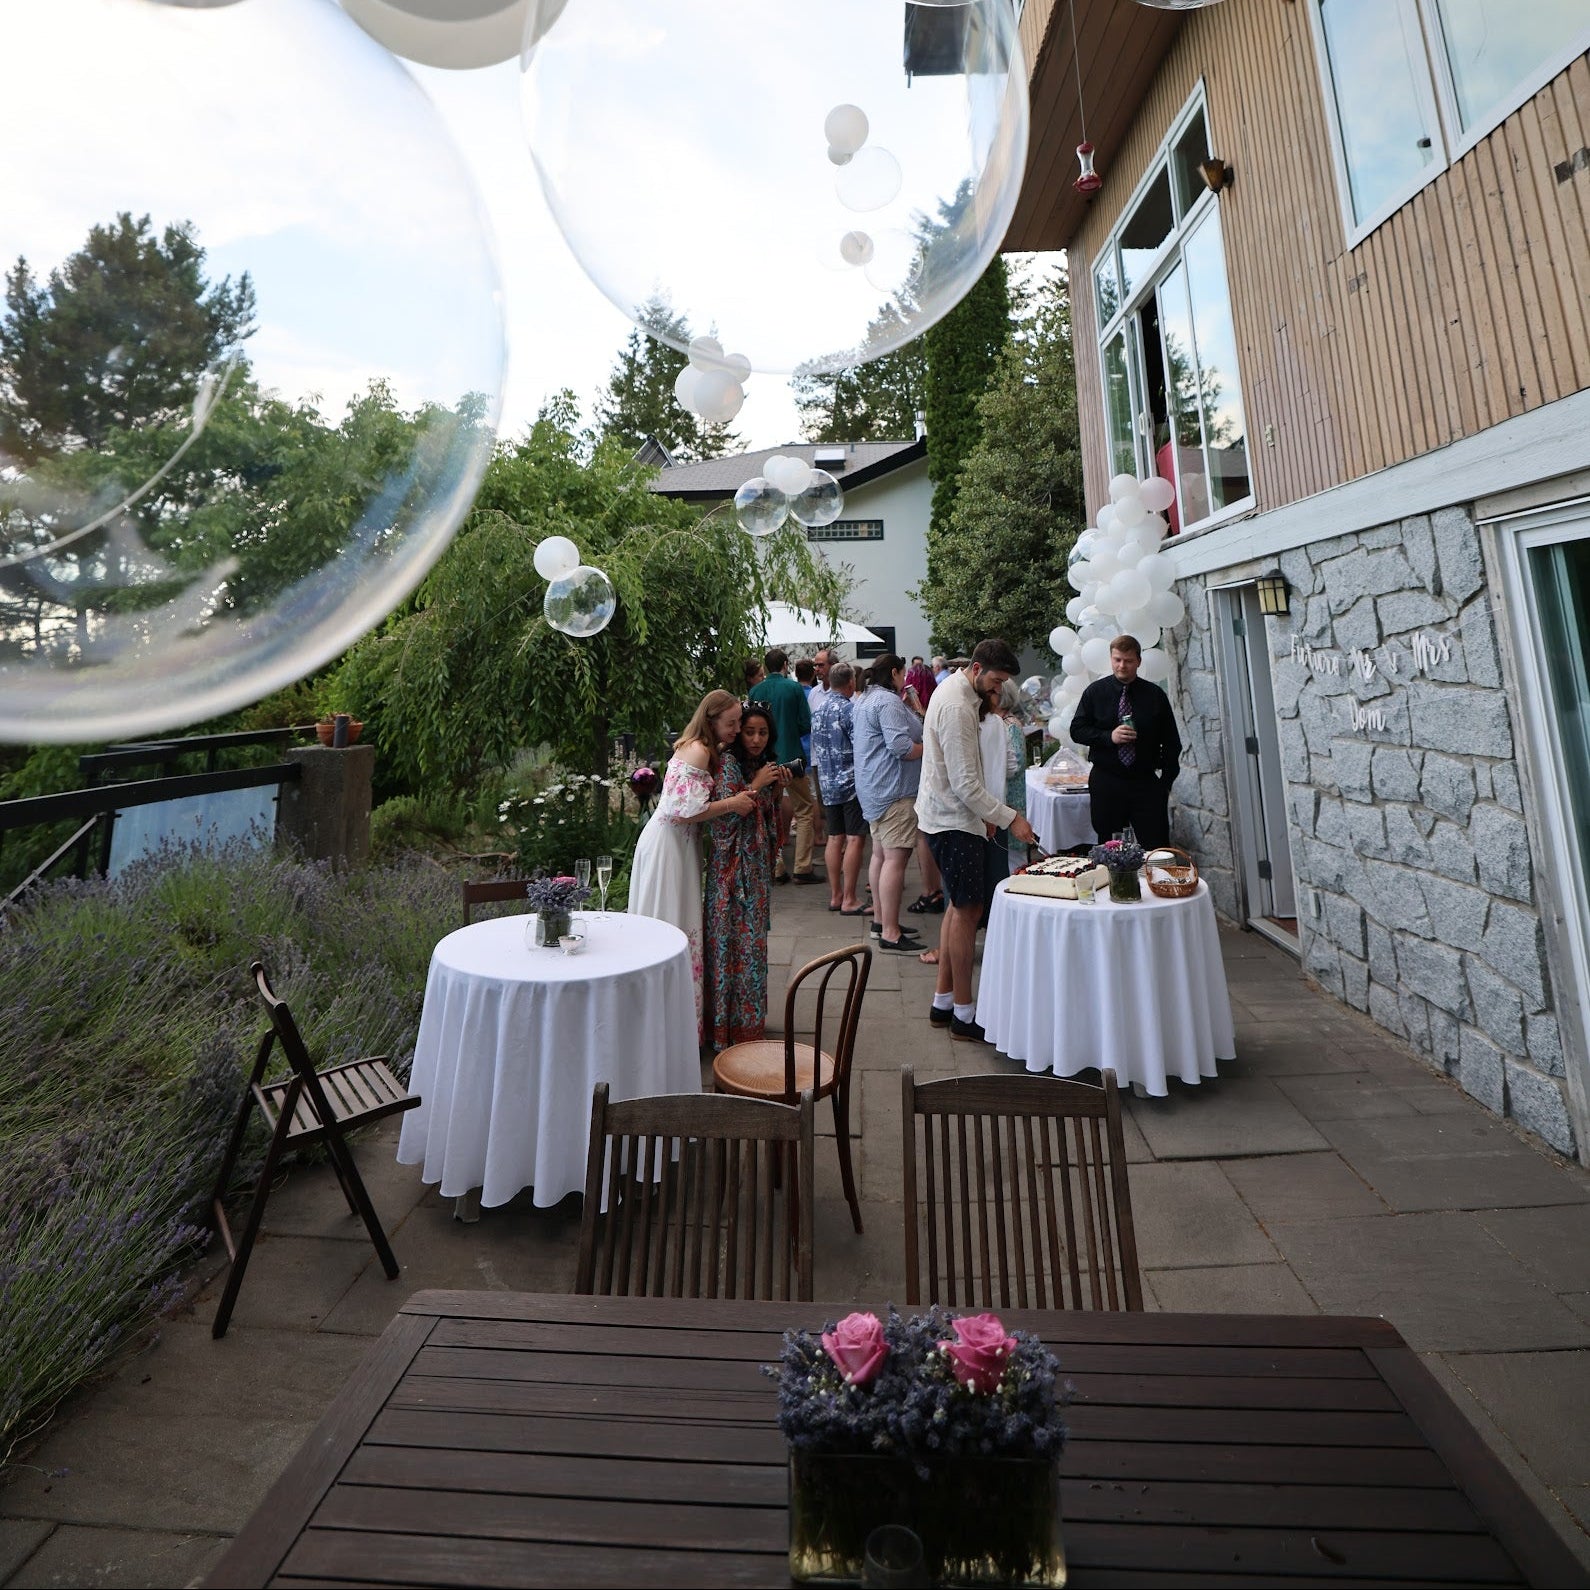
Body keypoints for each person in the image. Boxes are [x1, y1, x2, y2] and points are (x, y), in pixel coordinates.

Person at [918, 638, 1037, 1042]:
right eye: (996, 680)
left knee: (958, 908)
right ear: (975, 668)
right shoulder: (954, 705)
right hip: (952, 821)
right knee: (969, 913)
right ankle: (964, 1016)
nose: (998, 689)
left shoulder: (963, 693)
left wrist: (990, 816)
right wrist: (1010, 818)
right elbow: (965, 783)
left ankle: (944, 1002)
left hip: (955, 818)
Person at [628, 689, 762, 1039]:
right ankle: (665, 1027)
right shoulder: (700, 751)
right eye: (731, 723)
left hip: (679, 848)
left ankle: (673, 1024)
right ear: (712, 720)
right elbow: (681, 810)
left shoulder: (703, 748)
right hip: (668, 849)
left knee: (678, 926)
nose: (736, 729)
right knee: (670, 926)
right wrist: (733, 803)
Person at [704, 703, 786, 1049]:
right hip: (729, 875)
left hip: (755, 872)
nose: (755, 739)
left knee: (753, 949)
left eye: (762, 733)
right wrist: (757, 784)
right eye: (748, 731)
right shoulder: (727, 764)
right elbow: (723, 825)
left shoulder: (761, 765)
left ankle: (750, 1027)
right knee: (728, 947)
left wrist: (778, 786)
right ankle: (724, 1031)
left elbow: (778, 818)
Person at [1069, 634, 1181, 848]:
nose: (1122, 666)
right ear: (1111, 659)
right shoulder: (1095, 692)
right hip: (1107, 781)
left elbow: (1172, 743)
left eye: (1128, 661)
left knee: (1157, 848)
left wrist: (1164, 785)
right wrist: (1108, 737)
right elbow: (1077, 730)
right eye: (1117, 659)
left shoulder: (1155, 695)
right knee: (1110, 848)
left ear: (1138, 661)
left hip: (1145, 783)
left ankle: (1157, 882)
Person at [852, 654, 925, 954]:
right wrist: (934, 746)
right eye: (903, 673)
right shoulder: (888, 702)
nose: (905, 678)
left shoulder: (867, 699)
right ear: (894, 672)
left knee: (880, 856)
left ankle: (882, 922)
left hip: (875, 789)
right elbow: (902, 748)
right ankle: (891, 932)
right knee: (895, 860)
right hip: (894, 791)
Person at [749, 648, 817, 883]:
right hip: (792, 757)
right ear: (785, 664)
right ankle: (802, 866)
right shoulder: (794, 688)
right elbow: (805, 723)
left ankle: (777, 867)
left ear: (766, 667)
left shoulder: (756, 690)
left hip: (765, 761)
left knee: (772, 811)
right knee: (805, 809)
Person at [810, 662, 866, 914]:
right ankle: (850, 898)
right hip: (851, 783)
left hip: (827, 782)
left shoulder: (819, 710)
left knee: (834, 837)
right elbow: (861, 746)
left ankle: (835, 895)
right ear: (851, 682)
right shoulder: (849, 710)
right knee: (854, 838)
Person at [978, 675, 1029, 901]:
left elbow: (1015, 764)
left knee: (1013, 857)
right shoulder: (996, 722)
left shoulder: (1009, 724)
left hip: (1011, 796)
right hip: (1002, 796)